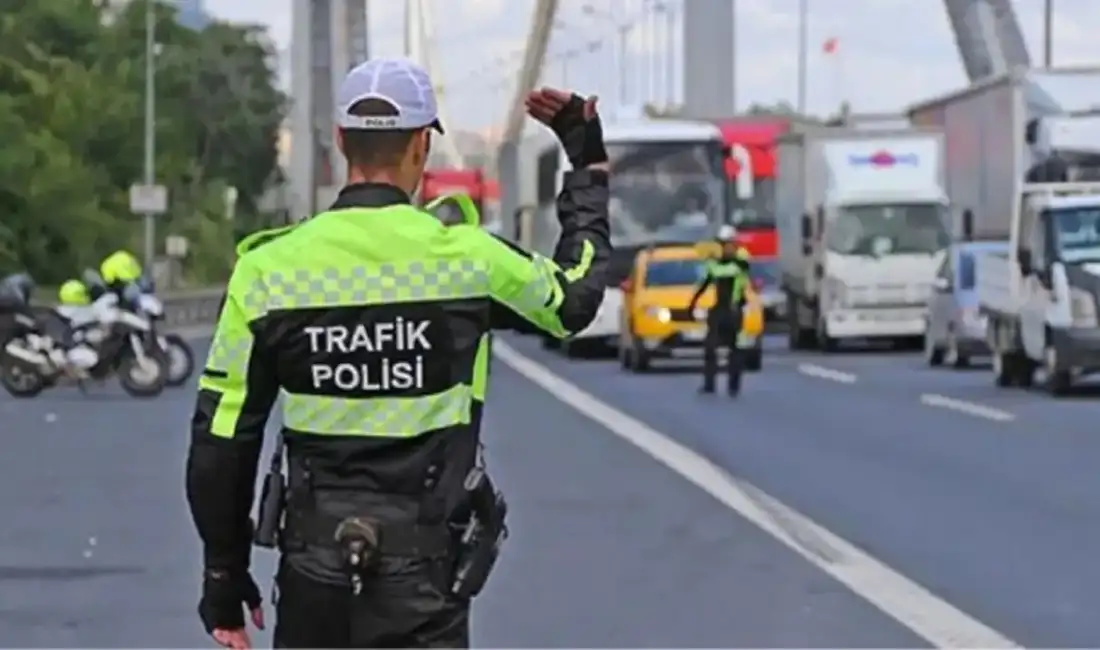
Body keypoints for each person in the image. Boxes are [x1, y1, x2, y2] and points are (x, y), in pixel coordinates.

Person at [185, 56, 611, 650]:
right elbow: (575, 299)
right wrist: (586, 164)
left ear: (340, 142)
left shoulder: (267, 272)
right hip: (425, 576)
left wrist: (223, 579)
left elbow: (221, 443)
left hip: (313, 572)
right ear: (421, 146)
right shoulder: (467, 262)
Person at [687, 225, 751, 396]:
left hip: (734, 310)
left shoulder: (740, 262)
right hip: (719, 310)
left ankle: (733, 386)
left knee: (736, 350)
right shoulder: (714, 264)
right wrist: (692, 304)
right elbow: (703, 284)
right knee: (710, 347)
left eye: (730, 244)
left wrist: (714, 261)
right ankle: (709, 384)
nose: (727, 248)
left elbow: (738, 268)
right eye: (724, 244)